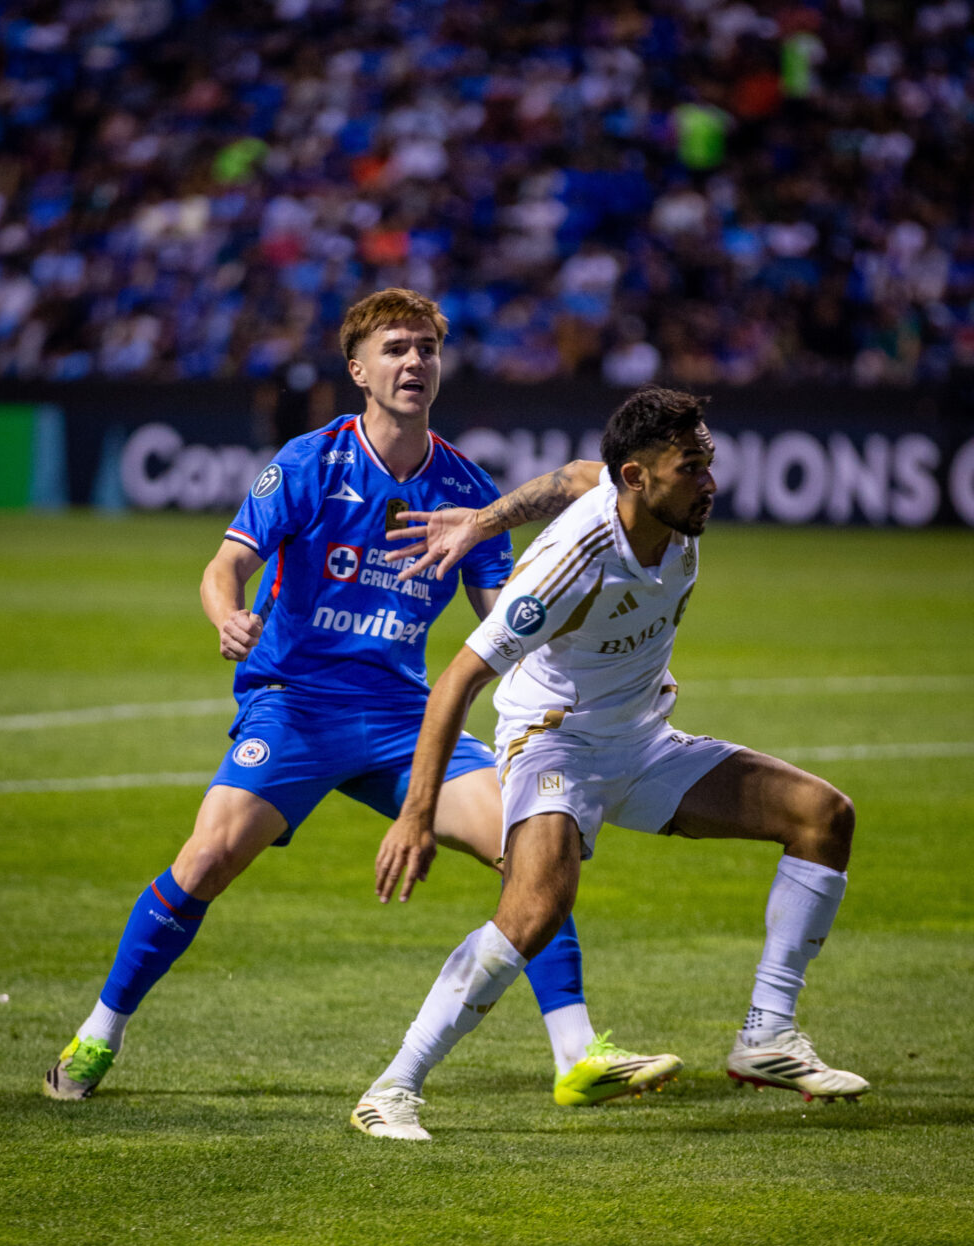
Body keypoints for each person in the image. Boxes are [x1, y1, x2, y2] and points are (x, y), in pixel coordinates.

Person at [43, 289, 680, 1109]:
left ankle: (576, 1052)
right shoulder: (308, 463)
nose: (415, 362)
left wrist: (599, 644)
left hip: (401, 718)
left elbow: (506, 615)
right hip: (296, 705)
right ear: (358, 370)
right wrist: (227, 615)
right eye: (395, 349)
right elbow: (225, 564)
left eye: (426, 349)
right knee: (205, 858)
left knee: (528, 846)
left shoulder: (466, 486)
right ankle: (99, 1032)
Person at [351, 384, 868, 1141]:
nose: (709, 483)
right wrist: (416, 817)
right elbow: (458, 679)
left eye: (708, 463)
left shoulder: (657, 504)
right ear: (637, 476)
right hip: (554, 742)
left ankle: (768, 1035)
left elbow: (570, 475)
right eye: (691, 467)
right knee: (535, 909)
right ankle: (393, 1088)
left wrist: (483, 519)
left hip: (643, 741)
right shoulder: (572, 561)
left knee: (823, 817)